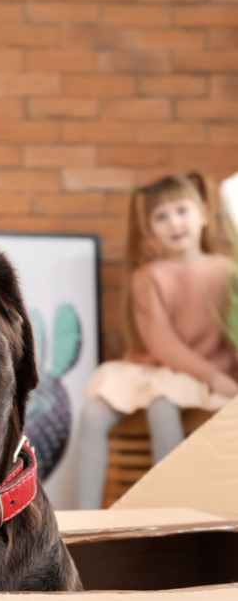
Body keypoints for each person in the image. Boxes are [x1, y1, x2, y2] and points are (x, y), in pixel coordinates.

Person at [78, 172, 238, 509]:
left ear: (204, 215)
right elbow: (163, 344)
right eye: (161, 217)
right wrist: (214, 377)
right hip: (155, 370)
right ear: (149, 229)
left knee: (162, 408)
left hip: (200, 375)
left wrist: (219, 377)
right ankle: (82, 522)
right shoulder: (148, 276)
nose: (173, 222)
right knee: (93, 412)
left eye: (182, 210)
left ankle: (173, 512)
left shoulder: (227, 271)